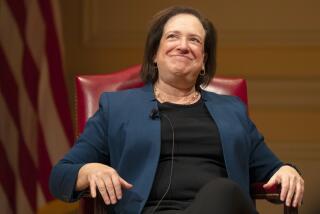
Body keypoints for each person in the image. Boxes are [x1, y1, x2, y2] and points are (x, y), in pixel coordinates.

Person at [49, 6, 304, 214]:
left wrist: (287, 170)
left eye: (194, 40)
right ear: (154, 55)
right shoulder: (117, 108)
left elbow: (272, 169)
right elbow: (60, 176)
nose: (183, 45)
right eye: (172, 37)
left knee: (223, 193)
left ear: (203, 60)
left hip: (223, 208)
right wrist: (88, 170)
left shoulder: (232, 111)